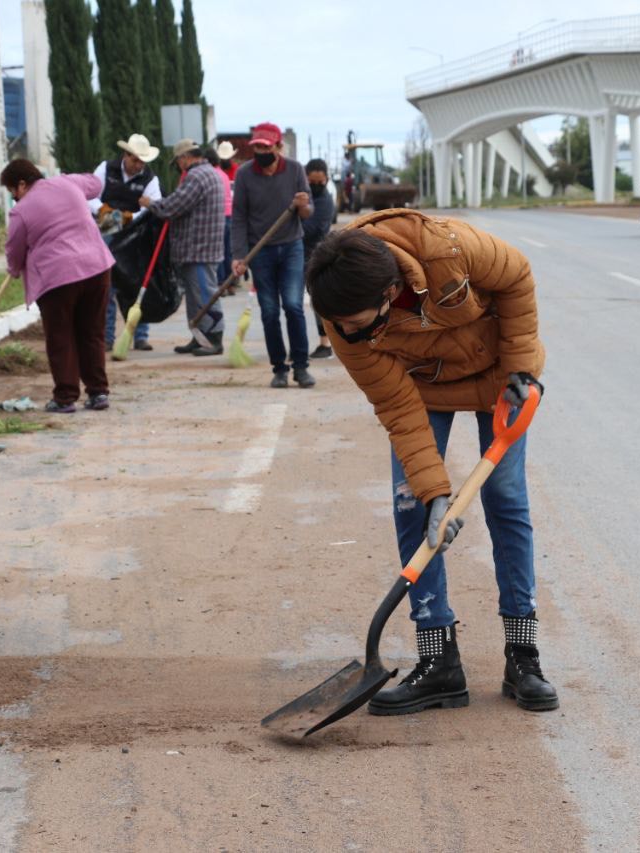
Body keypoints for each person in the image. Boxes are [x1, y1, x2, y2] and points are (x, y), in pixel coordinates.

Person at [306, 213, 555, 718]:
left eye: (360, 325)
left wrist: (521, 372)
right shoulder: (343, 322)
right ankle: (439, 661)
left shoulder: (446, 248)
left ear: (390, 290)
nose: (351, 337)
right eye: (343, 329)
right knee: (411, 506)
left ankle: (522, 655)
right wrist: (434, 494)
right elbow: (398, 409)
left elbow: (517, 276)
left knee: (505, 498)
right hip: (423, 388)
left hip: (497, 379)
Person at [2, 159, 113, 413]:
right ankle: (98, 393)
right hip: (97, 268)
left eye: (13, 193)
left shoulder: (21, 210)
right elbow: (95, 184)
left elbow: (14, 247)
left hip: (58, 277)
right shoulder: (67, 182)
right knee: (92, 333)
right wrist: (70, 177)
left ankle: (65, 397)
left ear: (21, 184)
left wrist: (14, 268)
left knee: (61, 337)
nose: (15, 199)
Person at [231, 122, 315, 389]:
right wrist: (239, 255)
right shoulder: (245, 174)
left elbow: (308, 212)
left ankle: (301, 367)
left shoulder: (294, 170)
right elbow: (239, 217)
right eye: (257, 147)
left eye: (266, 147)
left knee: (292, 305)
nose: (260, 151)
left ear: (278, 147)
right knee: (269, 311)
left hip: (291, 246)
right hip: (261, 251)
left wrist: (302, 206)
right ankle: (279, 368)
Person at [141, 139, 226, 356]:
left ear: (185, 158)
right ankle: (200, 337)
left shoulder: (196, 177)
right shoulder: (210, 172)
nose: (179, 165)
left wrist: (150, 204)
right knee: (197, 295)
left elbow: (173, 206)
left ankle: (214, 339)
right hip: (202, 247)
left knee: (205, 294)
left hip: (198, 248)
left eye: (178, 161)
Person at [91, 134, 161, 352]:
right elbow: (89, 196)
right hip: (106, 232)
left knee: (136, 283)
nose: (139, 165)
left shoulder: (150, 179)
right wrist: (105, 211)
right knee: (108, 286)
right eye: (135, 160)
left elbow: (154, 206)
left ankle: (140, 335)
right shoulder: (105, 169)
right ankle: (108, 337)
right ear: (126, 155)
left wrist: (129, 218)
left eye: (142, 161)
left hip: (134, 236)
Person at [302, 158, 336, 359]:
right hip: (297, 254)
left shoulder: (325, 202)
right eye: (311, 182)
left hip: (317, 256)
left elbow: (312, 230)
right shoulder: (301, 196)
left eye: (319, 182)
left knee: (319, 301)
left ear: (326, 179)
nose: (315, 186)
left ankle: (326, 343)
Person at [202, 146, 234, 290]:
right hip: (229, 215)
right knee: (227, 252)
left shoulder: (210, 175)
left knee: (218, 252)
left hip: (217, 217)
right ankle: (230, 282)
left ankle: (221, 283)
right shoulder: (224, 175)